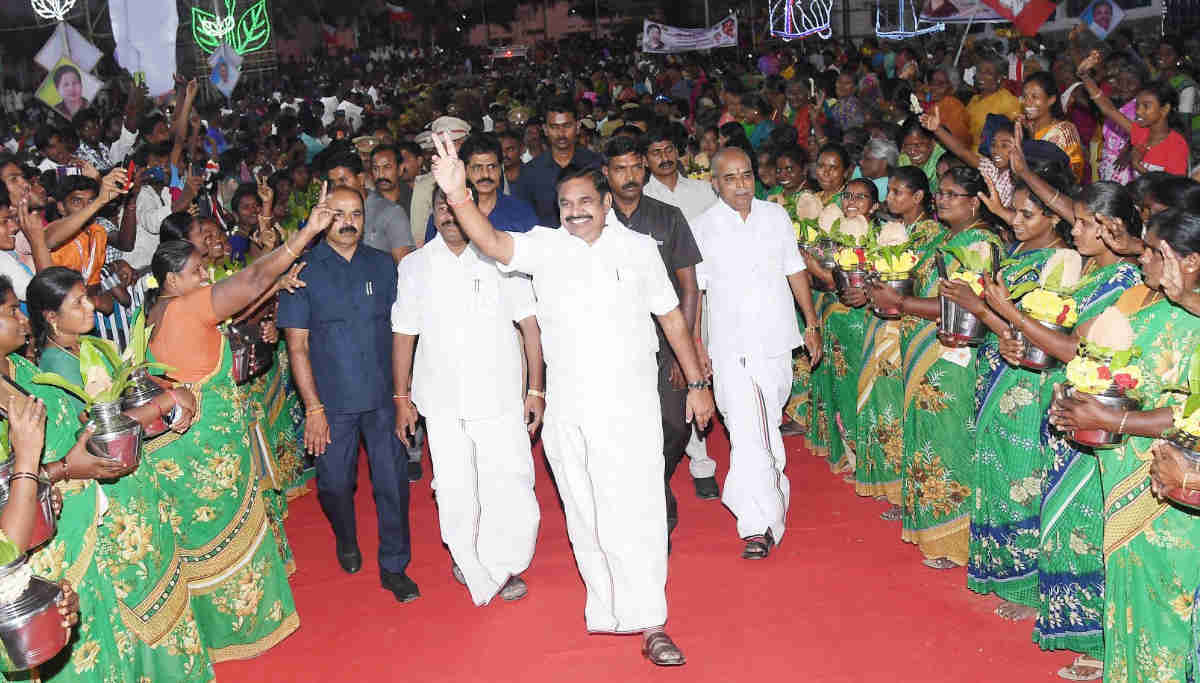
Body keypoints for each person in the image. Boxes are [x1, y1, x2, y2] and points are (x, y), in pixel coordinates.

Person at [428, 129, 715, 666]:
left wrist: (698, 383)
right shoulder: (547, 247)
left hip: (629, 408)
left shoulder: (639, 250)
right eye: (566, 204)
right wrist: (457, 191)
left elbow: (672, 318)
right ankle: (608, 608)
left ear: (607, 204)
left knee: (639, 511)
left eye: (586, 201)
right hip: (569, 412)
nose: (576, 211)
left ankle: (651, 619)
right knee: (583, 511)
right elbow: (491, 242)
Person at [141, 204, 325, 657]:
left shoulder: (156, 313)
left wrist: (273, 284)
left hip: (187, 447)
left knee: (203, 544)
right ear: (171, 281)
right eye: (197, 271)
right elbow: (249, 281)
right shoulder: (186, 307)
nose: (207, 278)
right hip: (210, 447)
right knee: (228, 538)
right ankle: (246, 631)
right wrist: (304, 235)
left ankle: (217, 632)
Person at [982, 181, 1143, 681]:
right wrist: (1014, 336)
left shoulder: (1125, 281)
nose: (1073, 230)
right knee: (1055, 513)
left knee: (1081, 523)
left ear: (1110, 227)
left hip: (1095, 405)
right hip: (1064, 397)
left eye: (1082, 222)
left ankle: (1094, 640)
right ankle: (1052, 606)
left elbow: (1078, 347)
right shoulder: (1088, 269)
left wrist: (1007, 313)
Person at [26, 266, 216, 678]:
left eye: (86, 296)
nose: (90, 306)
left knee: (160, 573)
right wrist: (163, 403)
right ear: (51, 318)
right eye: (76, 302)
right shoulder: (54, 368)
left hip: (131, 476)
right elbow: (92, 431)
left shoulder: (90, 348)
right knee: (140, 582)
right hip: (110, 490)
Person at [1048, 209, 1200, 683]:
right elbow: (1102, 360)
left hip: (1173, 482)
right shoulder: (1149, 305)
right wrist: (1081, 393)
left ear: (1190, 261)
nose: (1143, 259)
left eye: (1155, 252)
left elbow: (1186, 411)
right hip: (1132, 467)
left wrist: (1113, 417)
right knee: (1130, 587)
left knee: (1167, 597)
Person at [392, 184, 543, 606]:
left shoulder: (501, 257)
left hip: (499, 396)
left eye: (453, 204)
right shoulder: (415, 266)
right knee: (456, 487)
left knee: (509, 481)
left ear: (470, 207)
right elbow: (404, 332)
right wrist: (401, 398)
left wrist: (536, 388)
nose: (446, 213)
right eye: (438, 206)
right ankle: (471, 562)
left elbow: (530, 326)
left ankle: (502, 561)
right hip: (441, 400)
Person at [277, 185, 419, 602]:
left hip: (382, 399)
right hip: (331, 406)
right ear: (322, 218)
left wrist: (403, 396)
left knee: (392, 483)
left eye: (355, 213)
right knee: (334, 485)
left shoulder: (383, 266)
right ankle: (346, 536)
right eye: (338, 213)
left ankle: (394, 565)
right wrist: (313, 408)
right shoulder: (304, 272)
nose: (348, 221)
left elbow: (403, 332)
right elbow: (297, 346)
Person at [691, 146, 821, 559]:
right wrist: (695, 346)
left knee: (757, 430)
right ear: (715, 183)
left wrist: (811, 323)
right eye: (730, 178)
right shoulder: (703, 227)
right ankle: (761, 523)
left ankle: (759, 510)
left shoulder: (775, 216)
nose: (741, 185)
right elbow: (695, 293)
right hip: (730, 348)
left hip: (777, 342)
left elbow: (794, 268)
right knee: (751, 432)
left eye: (746, 175)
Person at [603, 135, 706, 534]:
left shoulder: (668, 216)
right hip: (615, 345)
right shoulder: (594, 220)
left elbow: (690, 288)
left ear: (644, 169)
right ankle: (648, 501)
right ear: (606, 173)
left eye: (634, 167)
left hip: (666, 343)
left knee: (675, 426)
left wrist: (688, 356)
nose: (628, 177)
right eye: (619, 168)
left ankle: (654, 482)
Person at [640, 127, 721, 499]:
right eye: (655, 152)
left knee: (705, 373)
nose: (664, 157)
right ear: (645, 160)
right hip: (668, 305)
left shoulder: (703, 192)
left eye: (669, 149)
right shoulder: (642, 200)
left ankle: (699, 453)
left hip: (709, 295)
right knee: (679, 382)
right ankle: (699, 461)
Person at [1078, 52, 1189, 177]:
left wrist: (1138, 167)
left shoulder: (1176, 144)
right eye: (1137, 105)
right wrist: (1084, 76)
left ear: (1165, 109)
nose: (1138, 111)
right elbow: (1108, 109)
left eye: (1146, 106)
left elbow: (1177, 190)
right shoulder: (1141, 134)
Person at [422, 133, 537, 243]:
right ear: (464, 171)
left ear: (500, 169)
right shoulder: (446, 217)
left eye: (492, 167)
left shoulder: (521, 212)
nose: (485, 174)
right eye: (477, 167)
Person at [513, 97, 603, 227]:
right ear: (545, 129)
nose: (561, 133)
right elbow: (523, 218)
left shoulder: (596, 165)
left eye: (567, 126)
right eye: (554, 127)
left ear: (577, 126)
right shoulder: (530, 172)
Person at [330, 151, 415, 262]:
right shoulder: (330, 214)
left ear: (360, 179)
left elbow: (404, 266)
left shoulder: (391, 212)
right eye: (333, 182)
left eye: (343, 180)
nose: (337, 187)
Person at [410, 116, 470, 247]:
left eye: (455, 142)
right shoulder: (425, 185)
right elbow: (419, 236)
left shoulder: (480, 174)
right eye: (442, 145)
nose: (449, 149)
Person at [368, 144, 417, 262]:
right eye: (375, 168)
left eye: (387, 167)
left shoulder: (416, 200)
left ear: (400, 169)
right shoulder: (366, 205)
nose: (381, 175)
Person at [966, 58, 1021, 152]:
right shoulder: (974, 100)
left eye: (988, 73)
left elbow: (1017, 134)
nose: (981, 76)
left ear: (998, 78)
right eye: (979, 71)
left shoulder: (1006, 100)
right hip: (968, 154)